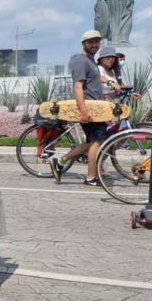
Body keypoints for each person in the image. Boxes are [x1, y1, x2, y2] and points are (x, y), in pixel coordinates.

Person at [50, 30, 106, 186]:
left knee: (93, 142)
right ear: (84, 44)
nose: (94, 45)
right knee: (98, 141)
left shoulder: (90, 61)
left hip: (96, 109)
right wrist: (83, 111)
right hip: (89, 109)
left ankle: (60, 162)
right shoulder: (81, 61)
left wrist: (108, 82)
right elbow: (77, 87)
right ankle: (90, 177)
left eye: (96, 42)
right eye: (91, 42)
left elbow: (93, 78)